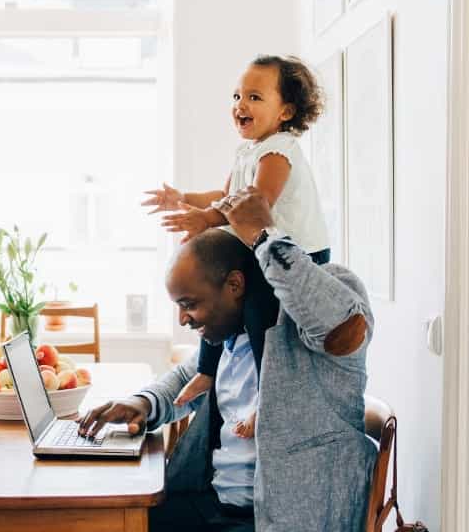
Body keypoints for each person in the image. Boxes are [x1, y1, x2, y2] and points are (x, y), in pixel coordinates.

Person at [80, 187, 376, 531]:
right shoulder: (234, 334)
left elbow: (344, 329)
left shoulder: (326, 294)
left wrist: (265, 236)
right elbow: (183, 378)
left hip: (286, 518)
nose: (183, 320)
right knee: (108, 520)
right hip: (216, 505)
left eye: (189, 304)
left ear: (235, 285)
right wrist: (141, 403)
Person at [142, 55, 332, 435]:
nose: (240, 105)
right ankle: (207, 371)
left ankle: (268, 400)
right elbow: (226, 195)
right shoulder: (248, 151)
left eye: (255, 97)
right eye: (236, 96)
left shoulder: (279, 151)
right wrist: (185, 198)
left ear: (286, 111)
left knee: (260, 317)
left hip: (296, 255)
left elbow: (255, 206)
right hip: (259, 247)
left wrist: (207, 219)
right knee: (221, 301)